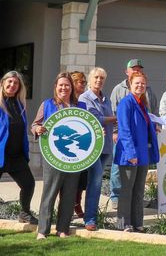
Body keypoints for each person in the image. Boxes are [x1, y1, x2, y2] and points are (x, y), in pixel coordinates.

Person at [32, 72, 86, 240]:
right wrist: (37, 129)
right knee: (49, 193)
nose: (64, 88)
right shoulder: (47, 104)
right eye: (61, 85)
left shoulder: (81, 106)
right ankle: (43, 230)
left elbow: (87, 128)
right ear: (56, 87)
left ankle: (62, 229)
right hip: (53, 157)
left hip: (74, 158)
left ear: (72, 87)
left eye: (67, 85)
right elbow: (35, 124)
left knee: (69, 195)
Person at [109, 58, 158, 209]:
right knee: (120, 170)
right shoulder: (119, 90)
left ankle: (134, 211)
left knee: (137, 181)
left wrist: (153, 127)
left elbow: (152, 112)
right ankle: (116, 198)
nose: (137, 71)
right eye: (134, 68)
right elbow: (114, 113)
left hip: (141, 141)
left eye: (139, 68)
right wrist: (115, 131)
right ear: (127, 72)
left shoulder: (147, 90)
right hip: (125, 139)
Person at [78, 67, 116, 231]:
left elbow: (109, 120)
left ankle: (91, 215)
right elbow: (92, 119)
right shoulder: (84, 98)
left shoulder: (106, 98)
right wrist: (115, 118)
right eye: (96, 77)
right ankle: (90, 219)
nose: (99, 80)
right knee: (95, 181)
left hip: (106, 146)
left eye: (102, 78)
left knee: (95, 181)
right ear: (90, 79)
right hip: (92, 147)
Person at [0, 71, 37, 224]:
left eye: (16, 83)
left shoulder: (19, 105)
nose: (12, 85)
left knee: (29, 184)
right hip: (1, 154)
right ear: (2, 83)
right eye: (9, 82)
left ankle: (25, 213)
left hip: (16, 157)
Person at [69, 71, 87, 219]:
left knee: (81, 179)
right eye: (80, 82)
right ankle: (66, 207)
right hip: (68, 145)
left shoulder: (82, 104)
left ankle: (76, 203)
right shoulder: (65, 102)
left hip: (80, 146)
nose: (83, 85)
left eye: (84, 82)